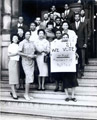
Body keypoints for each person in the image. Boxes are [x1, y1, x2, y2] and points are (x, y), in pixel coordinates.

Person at [18, 31, 37, 100]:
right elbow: (19, 52)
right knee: (28, 76)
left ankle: (27, 93)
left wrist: (34, 55)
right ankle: (26, 94)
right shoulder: (22, 43)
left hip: (31, 61)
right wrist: (27, 55)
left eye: (29, 34)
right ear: (24, 35)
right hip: (25, 61)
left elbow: (35, 51)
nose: (28, 35)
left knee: (30, 77)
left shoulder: (32, 43)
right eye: (26, 34)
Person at [61, 33, 78, 102]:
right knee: (65, 80)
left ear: (68, 38)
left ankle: (73, 96)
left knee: (73, 80)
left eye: (66, 37)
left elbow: (75, 53)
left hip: (71, 65)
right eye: (64, 37)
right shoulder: (59, 45)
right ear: (62, 38)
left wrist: (76, 55)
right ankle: (67, 96)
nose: (65, 38)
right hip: (63, 65)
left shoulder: (72, 45)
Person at [71, 13, 87, 77]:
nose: (77, 18)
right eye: (76, 17)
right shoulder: (71, 25)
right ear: (74, 17)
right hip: (74, 44)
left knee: (82, 58)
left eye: (78, 16)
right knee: (75, 58)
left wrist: (85, 43)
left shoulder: (83, 24)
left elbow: (85, 34)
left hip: (81, 43)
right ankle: (76, 71)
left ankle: (82, 71)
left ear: (79, 17)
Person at [8, 35, 20, 99]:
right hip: (12, 61)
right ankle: (14, 93)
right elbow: (9, 54)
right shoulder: (11, 45)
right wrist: (16, 53)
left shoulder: (18, 45)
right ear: (12, 39)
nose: (15, 39)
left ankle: (13, 91)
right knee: (12, 78)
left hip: (17, 62)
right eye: (14, 38)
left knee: (16, 78)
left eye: (16, 38)